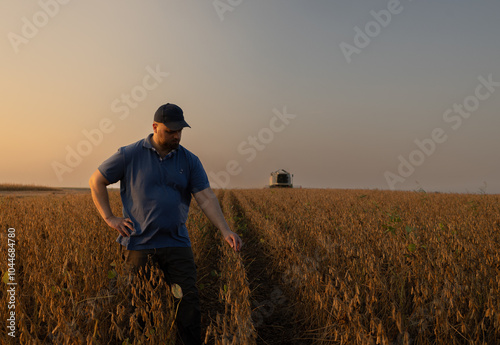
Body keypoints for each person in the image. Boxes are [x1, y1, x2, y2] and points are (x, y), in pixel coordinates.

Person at [89, 103, 242, 345]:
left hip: (177, 243)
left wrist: (225, 230)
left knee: (188, 305)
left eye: (180, 130)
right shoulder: (129, 154)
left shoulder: (189, 160)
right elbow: (96, 180)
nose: (176, 135)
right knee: (139, 308)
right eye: (170, 131)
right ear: (155, 127)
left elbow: (205, 197)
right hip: (139, 245)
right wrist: (110, 218)